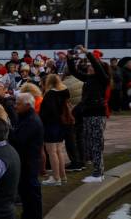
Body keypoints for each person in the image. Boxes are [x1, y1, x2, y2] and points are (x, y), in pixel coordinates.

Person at [69, 47, 110, 183]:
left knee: (97, 143)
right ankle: (97, 171)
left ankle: (98, 174)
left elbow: (97, 65)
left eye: (91, 65)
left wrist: (87, 53)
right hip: (87, 114)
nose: (88, 67)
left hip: (97, 115)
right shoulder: (88, 78)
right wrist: (70, 59)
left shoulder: (102, 79)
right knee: (91, 143)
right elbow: (74, 71)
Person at [9, 93, 44, 219]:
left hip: (29, 162)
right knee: (25, 193)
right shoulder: (25, 117)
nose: (15, 106)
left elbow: (19, 139)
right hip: (24, 161)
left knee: (31, 195)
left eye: (18, 104)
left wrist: (8, 131)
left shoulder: (31, 121)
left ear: (27, 105)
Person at [39, 74, 70, 186]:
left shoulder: (50, 94)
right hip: (60, 124)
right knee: (59, 151)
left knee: (52, 152)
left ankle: (56, 178)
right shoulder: (63, 93)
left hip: (51, 125)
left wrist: (41, 118)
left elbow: (49, 111)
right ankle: (63, 176)